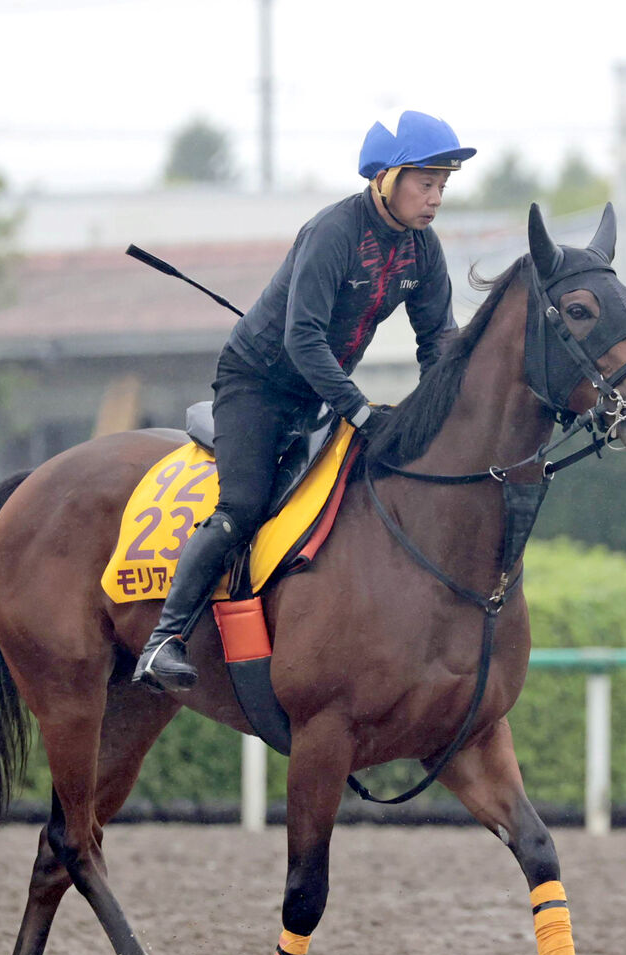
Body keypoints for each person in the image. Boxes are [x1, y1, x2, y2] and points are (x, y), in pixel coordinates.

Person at [134, 110, 476, 692]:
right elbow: (302, 339)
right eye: (426, 182)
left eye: (443, 184)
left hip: (321, 388)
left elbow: (438, 339)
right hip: (258, 385)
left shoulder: (423, 249)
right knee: (242, 507)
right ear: (387, 178)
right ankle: (162, 638)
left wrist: (445, 416)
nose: (436, 197)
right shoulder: (333, 232)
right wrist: (361, 410)